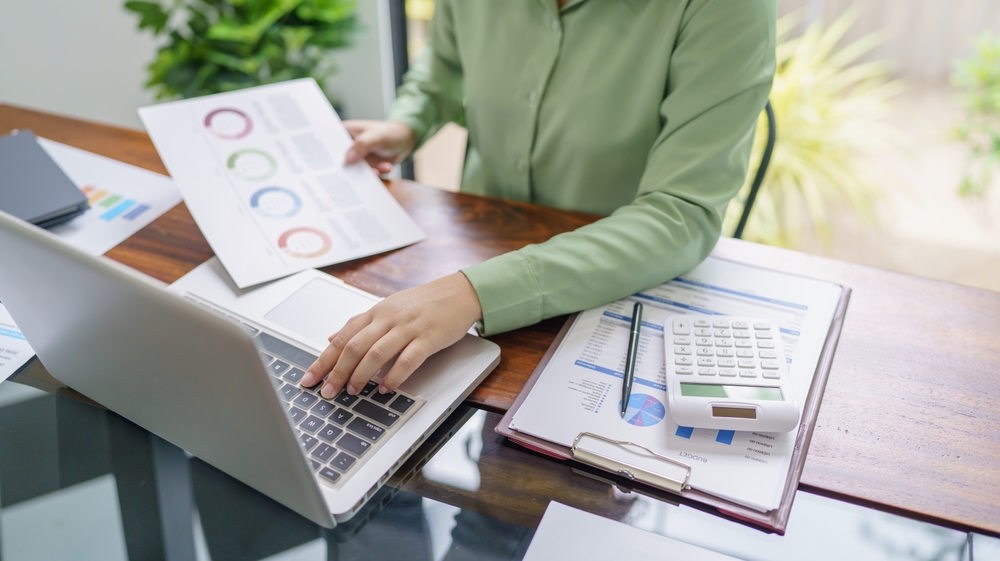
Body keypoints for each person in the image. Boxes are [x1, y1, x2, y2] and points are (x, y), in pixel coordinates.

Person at [300, 0, 777, 399]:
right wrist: (407, 122)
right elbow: (445, 64)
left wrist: (473, 292)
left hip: (618, 295)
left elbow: (682, 213)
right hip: (472, 253)